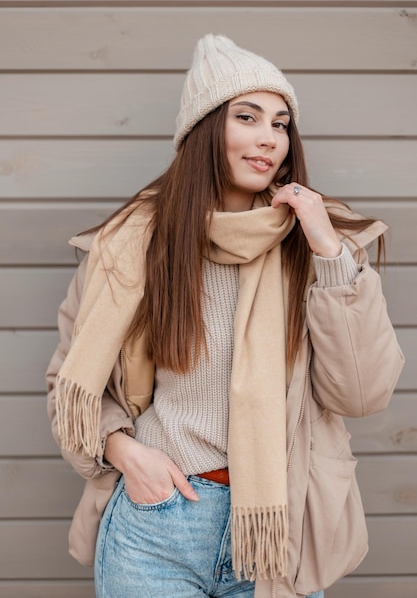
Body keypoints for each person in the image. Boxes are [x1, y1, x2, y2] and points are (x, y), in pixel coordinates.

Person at [46, 34, 404, 598]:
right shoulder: (131, 245)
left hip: (272, 532)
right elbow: (70, 383)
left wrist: (330, 257)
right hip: (155, 524)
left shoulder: (318, 248)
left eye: (281, 124)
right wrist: (125, 451)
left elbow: (361, 394)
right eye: (248, 117)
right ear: (204, 131)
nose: (269, 138)